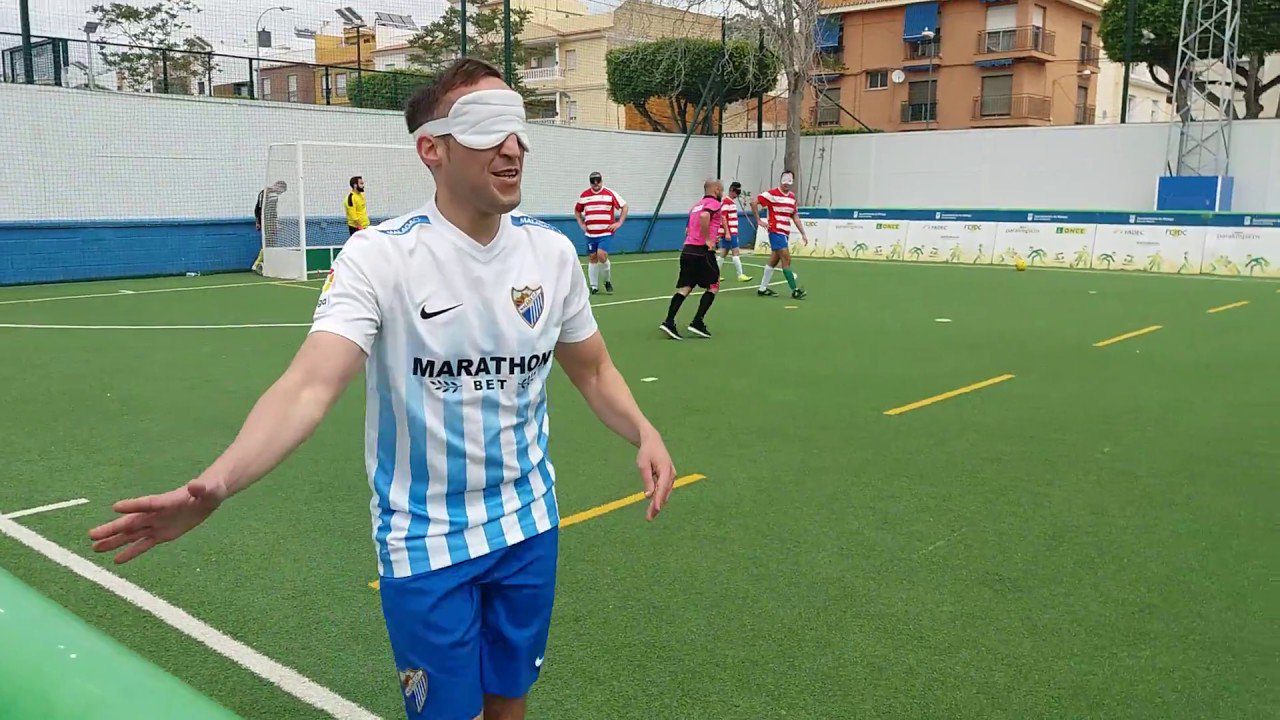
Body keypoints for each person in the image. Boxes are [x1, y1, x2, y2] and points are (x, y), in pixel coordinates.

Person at [88, 58, 678, 720]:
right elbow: (309, 385)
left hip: (529, 524)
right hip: (425, 540)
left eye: (517, 128)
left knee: (509, 702)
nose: (513, 147)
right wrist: (219, 482)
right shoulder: (380, 257)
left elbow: (592, 369)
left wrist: (644, 430)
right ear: (432, 149)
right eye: (487, 129)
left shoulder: (553, 255)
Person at [659, 179, 724, 340]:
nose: (721, 193)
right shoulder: (713, 204)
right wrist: (708, 239)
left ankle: (669, 321)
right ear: (716, 189)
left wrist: (709, 235)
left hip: (688, 250)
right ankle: (697, 321)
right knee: (714, 285)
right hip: (702, 252)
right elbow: (705, 216)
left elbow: (688, 229)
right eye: (721, 190)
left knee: (686, 287)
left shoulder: (695, 206)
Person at [753, 170, 808, 299]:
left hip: (785, 232)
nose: (786, 184)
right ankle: (795, 290)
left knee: (774, 260)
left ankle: (762, 289)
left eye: (789, 181)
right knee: (786, 259)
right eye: (785, 180)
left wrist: (803, 233)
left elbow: (795, 216)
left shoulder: (792, 197)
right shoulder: (771, 194)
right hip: (775, 231)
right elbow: (754, 202)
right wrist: (758, 220)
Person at [573, 171, 627, 295]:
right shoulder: (584, 195)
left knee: (601, 256)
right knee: (592, 257)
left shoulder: (610, 194)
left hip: (605, 233)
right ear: (590, 182)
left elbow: (624, 206)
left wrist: (619, 223)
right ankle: (594, 286)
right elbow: (577, 210)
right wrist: (581, 223)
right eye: (593, 181)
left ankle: (607, 281)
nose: (596, 184)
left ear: (601, 181)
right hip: (591, 234)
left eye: (598, 181)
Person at [718, 181, 752, 283]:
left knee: (724, 253)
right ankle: (740, 275)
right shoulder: (727, 202)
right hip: (730, 232)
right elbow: (723, 217)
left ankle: (715, 275)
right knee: (735, 252)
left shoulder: (729, 202)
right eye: (737, 192)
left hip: (730, 231)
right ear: (731, 190)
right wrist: (727, 232)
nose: (737, 195)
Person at [252, 180, 287, 274]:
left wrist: (258, 222)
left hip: (266, 222)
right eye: (281, 190)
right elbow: (267, 210)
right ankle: (257, 264)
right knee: (269, 243)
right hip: (267, 222)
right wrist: (272, 224)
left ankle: (264, 263)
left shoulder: (266, 193)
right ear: (277, 186)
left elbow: (259, 209)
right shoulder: (270, 194)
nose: (280, 193)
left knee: (269, 243)